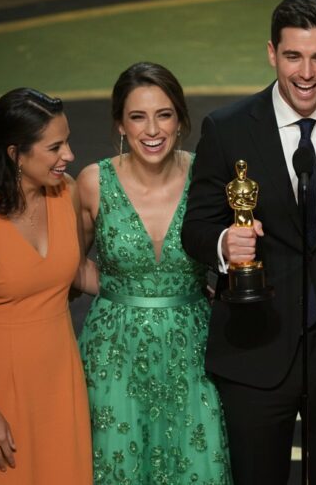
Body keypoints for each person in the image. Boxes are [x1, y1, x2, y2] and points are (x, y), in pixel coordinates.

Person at [181, 0, 316, 484]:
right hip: (255, 346)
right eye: (293, 56)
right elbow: (197, 227)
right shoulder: (228, 128)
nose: (306, 73)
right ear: (272, 53)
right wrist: (224, 245)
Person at [74, 62, 232, 484]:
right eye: (137, 117)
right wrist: (122, 292)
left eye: (164, 115)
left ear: (180, 120)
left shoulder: (207, 176)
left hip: (193, 351)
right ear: (120, 124)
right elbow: (69, 264)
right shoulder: (92, 182)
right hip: (114, 353)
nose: (152, 130)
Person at [0, 88, 91, 484]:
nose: (69, 155)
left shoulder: (68, 192)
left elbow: (76, 276)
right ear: (15, 154)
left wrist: (165, 287)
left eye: (67, 141)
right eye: (54, 147)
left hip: (59, 380)